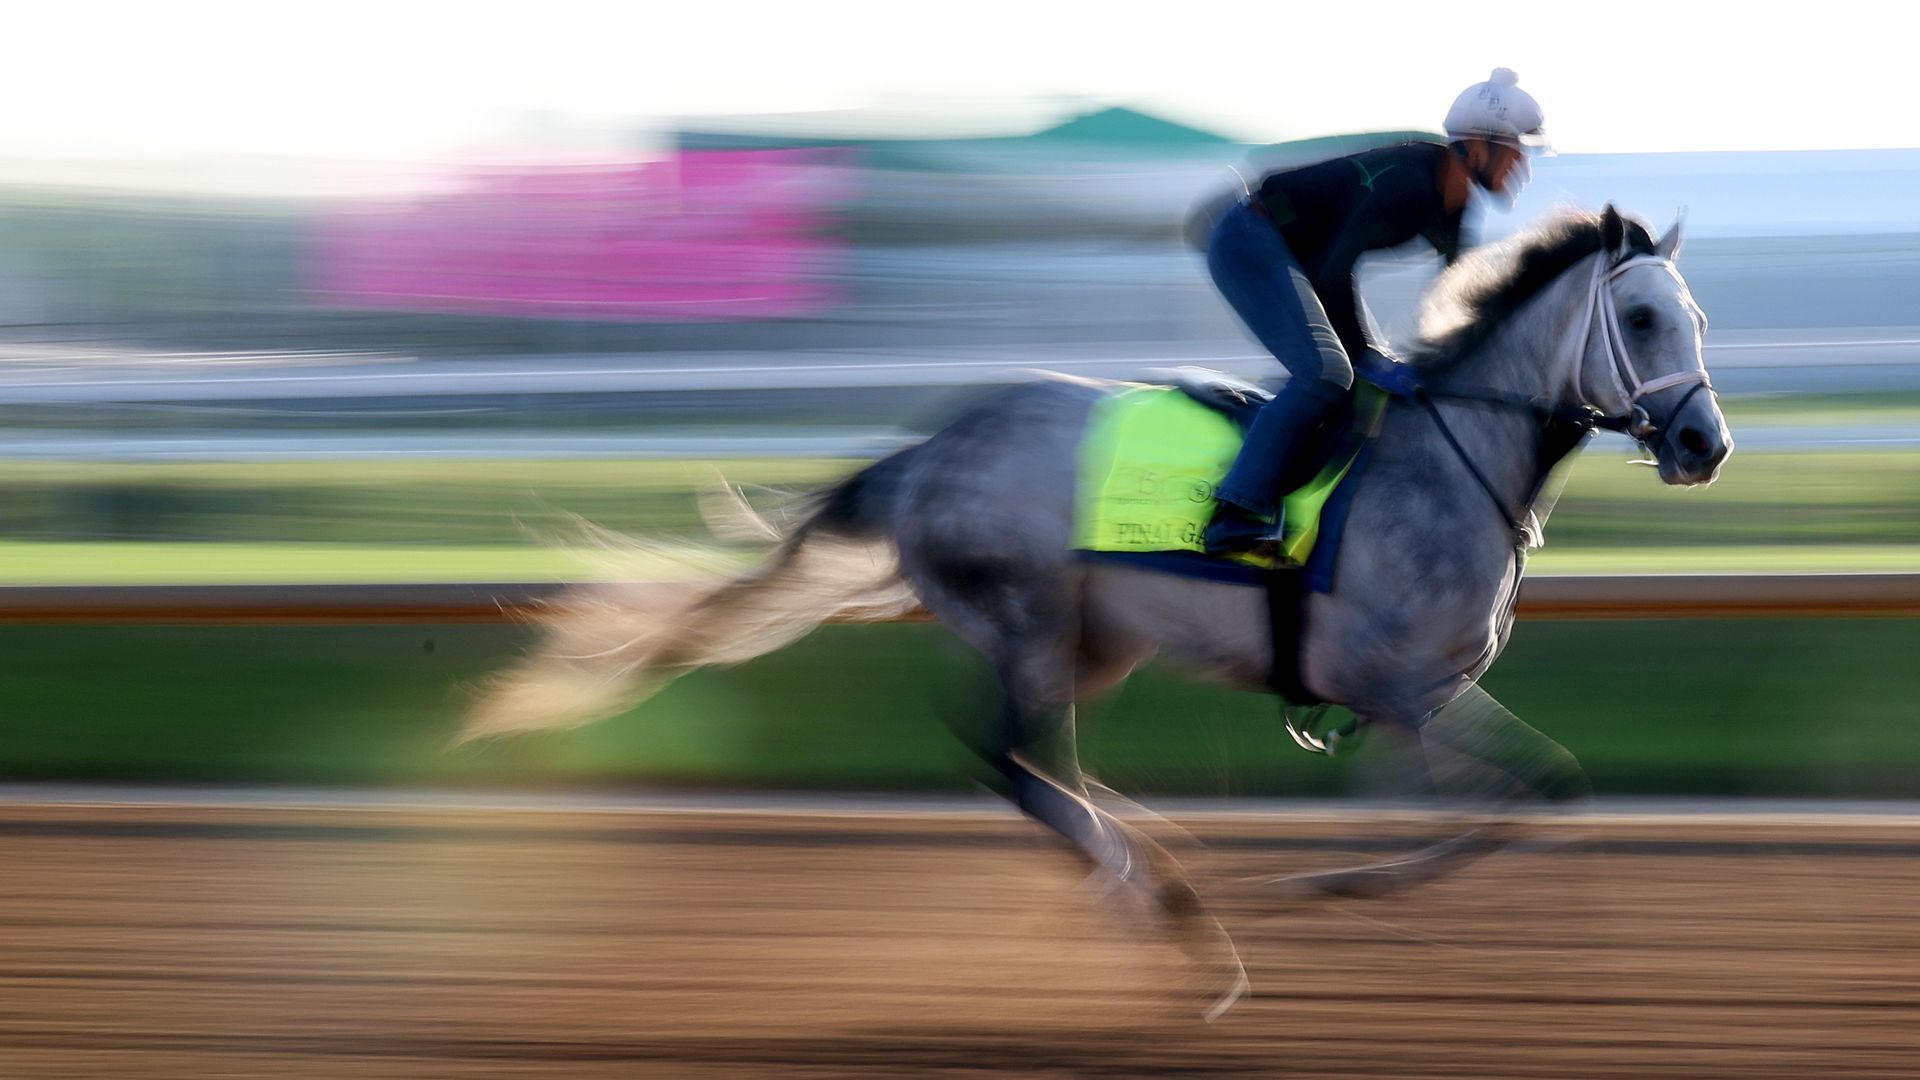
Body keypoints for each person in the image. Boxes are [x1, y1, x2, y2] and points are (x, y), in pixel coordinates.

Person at [1201, 68, 1549, 556]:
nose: (1520, 166)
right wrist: (1368, 354)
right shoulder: (1408, 185)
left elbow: (1460, 299)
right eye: (1515, 151)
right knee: (1324, 373)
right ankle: (1234, 511)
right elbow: (1331, 273)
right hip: (1249, 239)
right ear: (1474, 148)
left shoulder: (1456, 205)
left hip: (1302, 255)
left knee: (1362, 380)